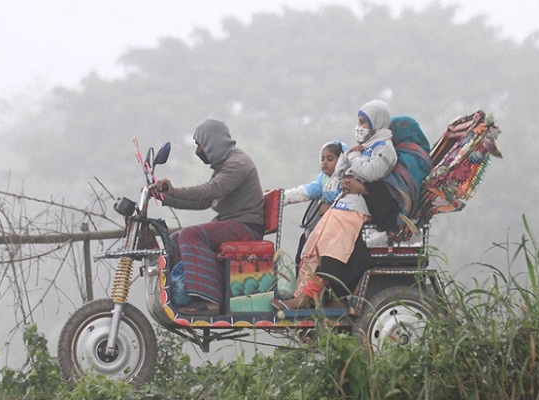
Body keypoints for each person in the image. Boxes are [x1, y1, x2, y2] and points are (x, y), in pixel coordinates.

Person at [272, 100, 398, 310]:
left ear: (376, 122)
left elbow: (369, 172)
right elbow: (340, 173)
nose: (359, 127)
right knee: (313, 246)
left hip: (356, 209)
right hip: (341, 206)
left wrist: (352, 156)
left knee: (333, 253)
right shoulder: (365, 148)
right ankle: (302, 295)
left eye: (363, 122)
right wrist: (348, 164)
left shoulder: (385, 149)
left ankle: (306, 299)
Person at [156, 119, 265, 315]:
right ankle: (182, 295)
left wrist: (175, 191)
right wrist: (166, 197)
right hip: (231, 223)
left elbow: (211, 190)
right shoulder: (223, 166)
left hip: (246, 227)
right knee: (176, 238)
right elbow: (203, 202)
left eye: (200, 144)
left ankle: (209, 302)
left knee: (191, 235)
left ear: (212, 142)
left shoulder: (238, 163)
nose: (198, 150)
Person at [284, 140, 347, 265]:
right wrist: (282, 197)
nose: (324, 162)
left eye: (330, 159)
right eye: (322, 159)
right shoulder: (322, 181)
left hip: (336, 231)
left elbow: (349, 202)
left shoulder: (345, 180)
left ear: (341, 161)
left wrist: (331, 208)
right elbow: (304, 192)